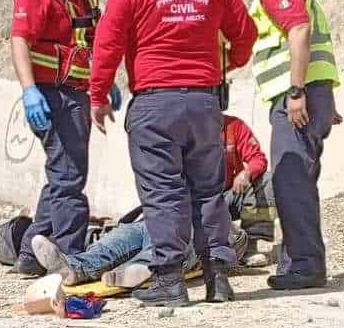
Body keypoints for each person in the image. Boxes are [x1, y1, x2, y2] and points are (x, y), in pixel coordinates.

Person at [88, 0, 254, 308]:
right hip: (204, 102)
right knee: (208, 190)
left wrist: (97, 95)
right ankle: (218, 279)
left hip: (155, 104)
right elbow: (244, 34)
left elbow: (107, 44)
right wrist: (228, 65)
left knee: (163, 193)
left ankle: (169, 280)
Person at [31, 101, 267, 287]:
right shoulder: (181, 134)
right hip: (179, 211)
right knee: (133, 232)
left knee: (187, 232)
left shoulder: (233, 127)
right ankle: (74, 266)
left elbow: (259, 160)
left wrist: (246, 173)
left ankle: (142, 267)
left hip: (218, 214)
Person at [8, 0, 117, 275]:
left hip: (76, 93)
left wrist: (104, 81)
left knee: (62, 174)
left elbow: (89, 39)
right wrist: (29, 91)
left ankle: (29, 253)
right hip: (51, 95)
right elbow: (19, 39)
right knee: (69, 177)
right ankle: (71, 256)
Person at [235, 0, 340, 292]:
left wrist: (297, 92)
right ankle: (302, 263)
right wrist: (321, 97)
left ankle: (305, 266)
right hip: (312, 95)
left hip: (296, 98)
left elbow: (299, 30)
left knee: (290, 181)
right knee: (298, 180)